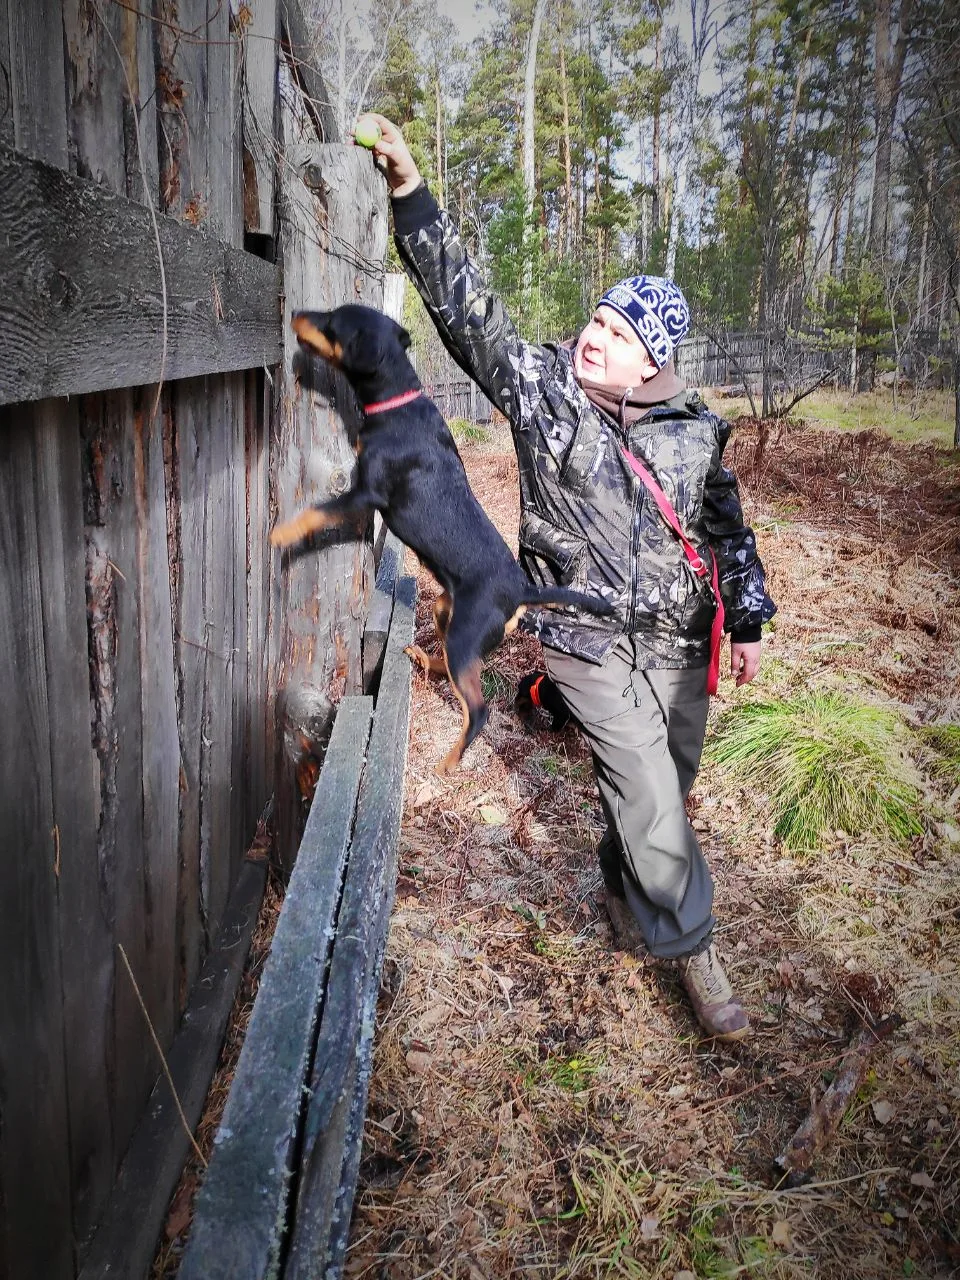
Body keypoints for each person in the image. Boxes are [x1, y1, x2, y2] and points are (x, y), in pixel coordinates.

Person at [363, 114, 776, 1042]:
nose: (596, 337)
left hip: (677, 638)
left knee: (661, 779)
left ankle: (624, 882)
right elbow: (472, 314)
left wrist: (744, 622)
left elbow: (726, 528)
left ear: (656, 360)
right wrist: (412, 196)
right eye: (597, 318)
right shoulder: (543, 390)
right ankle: (699, 955)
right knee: (644, 783)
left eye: (621, 332)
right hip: (584, 638)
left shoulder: (696, 428)